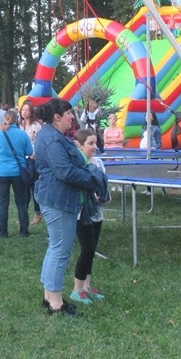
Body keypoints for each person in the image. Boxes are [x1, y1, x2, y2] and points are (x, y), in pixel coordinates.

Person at [34, 97, 101, 316]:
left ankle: (48, 296)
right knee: (60, 250)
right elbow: (66, 172)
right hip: (58, 200)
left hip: (55, 198)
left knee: (55, 247)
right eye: (69, 113)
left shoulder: (52, 135)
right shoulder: (52, 140)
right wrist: (93, 180)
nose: (72, 117)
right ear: (57, 117)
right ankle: (55, 303)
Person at [70, 128, 107, 305]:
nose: (94, 146)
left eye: (95, 143)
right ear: (80, 145)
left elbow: (102, 184)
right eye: (90, 143)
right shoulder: (77, 165)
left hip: (96, 212)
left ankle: (86, 286)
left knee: (92, 249)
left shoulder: (98, 162)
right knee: (87, 248)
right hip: (82, 213)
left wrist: (101, 196)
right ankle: (76, 289)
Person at [0, 109, 34, 238]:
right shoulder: (22, 134)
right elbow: (29, 151)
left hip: (1, 171)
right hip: (18, 172)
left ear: (4, 119)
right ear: (17, 120)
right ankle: (24, 231)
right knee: (21, 202)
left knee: (3, 202)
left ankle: (2, 232)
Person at [19, 100, 43, 226]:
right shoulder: (19, 124)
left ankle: (38, 213)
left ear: (31, 112)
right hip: (22, 158)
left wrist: (35, 155)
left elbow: (40, 142)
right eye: (23, 109)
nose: (24, 112)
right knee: (24, 187)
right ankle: (24, 214)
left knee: (34, 186)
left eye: (27, 110)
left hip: (33, 157)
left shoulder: (36, 125)